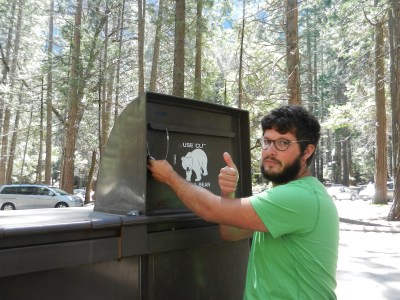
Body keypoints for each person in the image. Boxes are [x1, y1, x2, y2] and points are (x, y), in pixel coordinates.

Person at [147, 105, 339, 299]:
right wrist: (227, 193)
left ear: (307, 151)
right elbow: (230, 232)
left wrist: (170, 177)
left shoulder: (300, 197)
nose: (270, 151)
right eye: (267, 141)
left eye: (283, 143)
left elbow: (209, 209)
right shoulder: (287, 196)